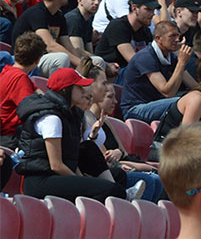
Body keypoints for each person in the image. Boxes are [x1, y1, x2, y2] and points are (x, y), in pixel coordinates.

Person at [13, 67, 129, 201]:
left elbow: (71, 159)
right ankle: (120, 198)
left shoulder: (71, 115)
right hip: (41, 180)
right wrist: (82, 181)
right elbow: (56, 165)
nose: (84, 91)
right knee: (110, 190)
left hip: (58, 175)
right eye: (79, 88)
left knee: (94, 153)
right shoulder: (52, 118)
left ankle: (120, 196)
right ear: (65, 90)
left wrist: (83, 181)